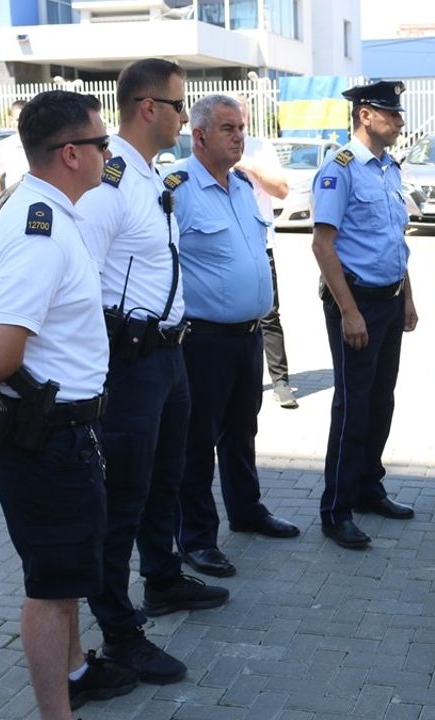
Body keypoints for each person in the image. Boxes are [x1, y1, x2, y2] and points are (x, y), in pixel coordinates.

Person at [0, 89, 138, 718]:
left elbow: (21, 327)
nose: (112, 153)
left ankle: (77, 670)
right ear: (73, 153)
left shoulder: (43, 211)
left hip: (56, 429)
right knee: (51, 590)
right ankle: (57, 709)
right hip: (46, 435)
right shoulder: (42, 232)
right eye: (104, 144)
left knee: (65, 574)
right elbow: (1, 354)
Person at [75, 58, 226, 687]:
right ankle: (118, 629)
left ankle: (161, 578)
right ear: (147, 108)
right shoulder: (111, 183)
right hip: (131, 363)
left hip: (170, 354)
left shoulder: (149, 175)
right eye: (177, 105)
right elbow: (80, 276)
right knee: (124, 497)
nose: (183, 115)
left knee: (168, 477)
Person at [167, 94, 301, 579]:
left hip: (247, 336)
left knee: (242, 430)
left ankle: (246, 511)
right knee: (197, 442)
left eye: (240, 127)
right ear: (198, 136)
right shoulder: (176, 188)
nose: (239, 136)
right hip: (201, 339)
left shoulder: (243, 186)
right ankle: (197, 539)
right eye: (227, 128)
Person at [311, 79, 418, 549]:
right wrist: (349, 312)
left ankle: (368, 488)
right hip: (356, 304)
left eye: (398, 113)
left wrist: (408, 296)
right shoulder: (341, 170)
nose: (398, 121)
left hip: (390, 300)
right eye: (390, 113)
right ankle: (336, 509)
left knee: (381, 401)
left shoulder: (389, 169)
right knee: (353, 406)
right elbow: (322, 244)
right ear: (365, 116)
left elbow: (396, 239)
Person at [235, 94, 298, 409]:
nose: (237, 127)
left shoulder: (260, 149)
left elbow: (281, 191)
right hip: (223, 248)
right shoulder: (206, 149)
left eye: (241, 118)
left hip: (261, 244)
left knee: (269, 314)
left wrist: (248, 165)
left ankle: (281, 381)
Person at [0, 100, 30, 201]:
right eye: (18, 119)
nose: (23, 123)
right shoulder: (4, 146)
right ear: (10, 120)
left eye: (26, 119)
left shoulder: (43, 145)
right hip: (14, 204)